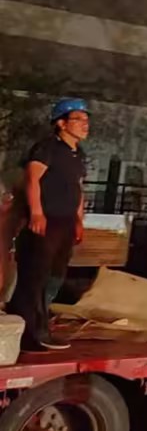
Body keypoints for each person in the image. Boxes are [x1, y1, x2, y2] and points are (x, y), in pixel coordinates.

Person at [12, 98, 90, 352]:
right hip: (46, 220)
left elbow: (78, 189)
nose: (85, 124)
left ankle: (41, 325)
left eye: (86, 120)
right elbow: (32, 180)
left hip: (66, 222)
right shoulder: (47, 148)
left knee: (55, 277)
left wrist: (79, 220)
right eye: (78, 119)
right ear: (61, 123)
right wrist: (36, 213)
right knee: (36, 276)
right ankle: (29, 334)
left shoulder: (78, 154)